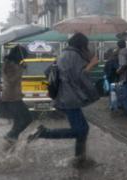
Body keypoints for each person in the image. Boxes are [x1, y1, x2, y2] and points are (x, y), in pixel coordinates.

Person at [28, 33, 99, 166]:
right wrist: (91, 64)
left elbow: (50, 71)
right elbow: (81, 77)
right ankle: (44, 133)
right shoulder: (74, 55)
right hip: (69, 99)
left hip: (65, 97)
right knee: (80, 130)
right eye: (86, 45)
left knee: (83, 129)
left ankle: (80, 158)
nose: (87, 47)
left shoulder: (65, 54)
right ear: (81, 44)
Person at [1, 45, 33, 143]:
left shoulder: (12, 64)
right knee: (28, 118)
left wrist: (20, 68)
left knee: (18, 122)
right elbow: (11, 80)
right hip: (12, 98)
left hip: (14, 97)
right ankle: (11, 135)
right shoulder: (9, 65)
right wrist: (21, 69)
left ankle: (11, 143)